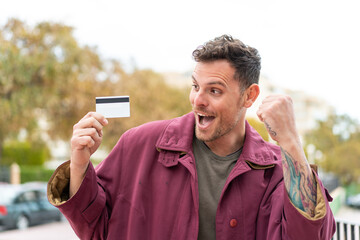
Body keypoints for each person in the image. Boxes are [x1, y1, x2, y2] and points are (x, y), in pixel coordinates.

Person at [47, 35, 336, 240]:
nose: (198, 100)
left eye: (214, 91)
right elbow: (95, 229)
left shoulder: (275, 169)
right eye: (195, 86)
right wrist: (80, 161)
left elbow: (309, 235)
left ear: (249, 96)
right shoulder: (139, 144)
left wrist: (291, 143)